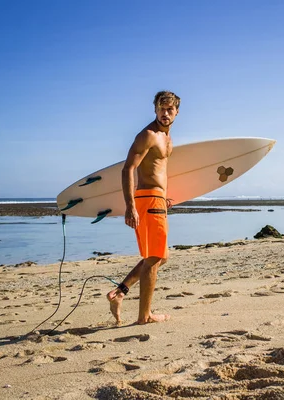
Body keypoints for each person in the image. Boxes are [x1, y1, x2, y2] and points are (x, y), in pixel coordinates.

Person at [106, 91, 180, 325]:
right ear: (155, 109)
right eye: (161, 108)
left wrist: (164, 196)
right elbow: (128, 169)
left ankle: (119, 292)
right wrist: (130, 207)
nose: (165, 113)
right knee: (154, 257)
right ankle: (144, 316)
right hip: (147, 200)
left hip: (157, 199)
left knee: (161, 257)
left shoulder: (167, 138)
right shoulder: (148, 135)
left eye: (170, 109)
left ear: (177, 112)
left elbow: (158, 170)